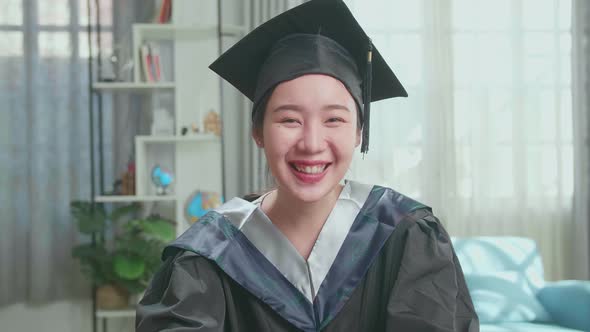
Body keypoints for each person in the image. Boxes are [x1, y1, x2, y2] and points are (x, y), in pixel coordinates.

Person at [136, 0, 479, 331]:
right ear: (257, 131)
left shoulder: (406, 238)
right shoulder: (210, 254)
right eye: (289, 120)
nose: (312, 144)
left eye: (333, 119)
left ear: (360, 131)